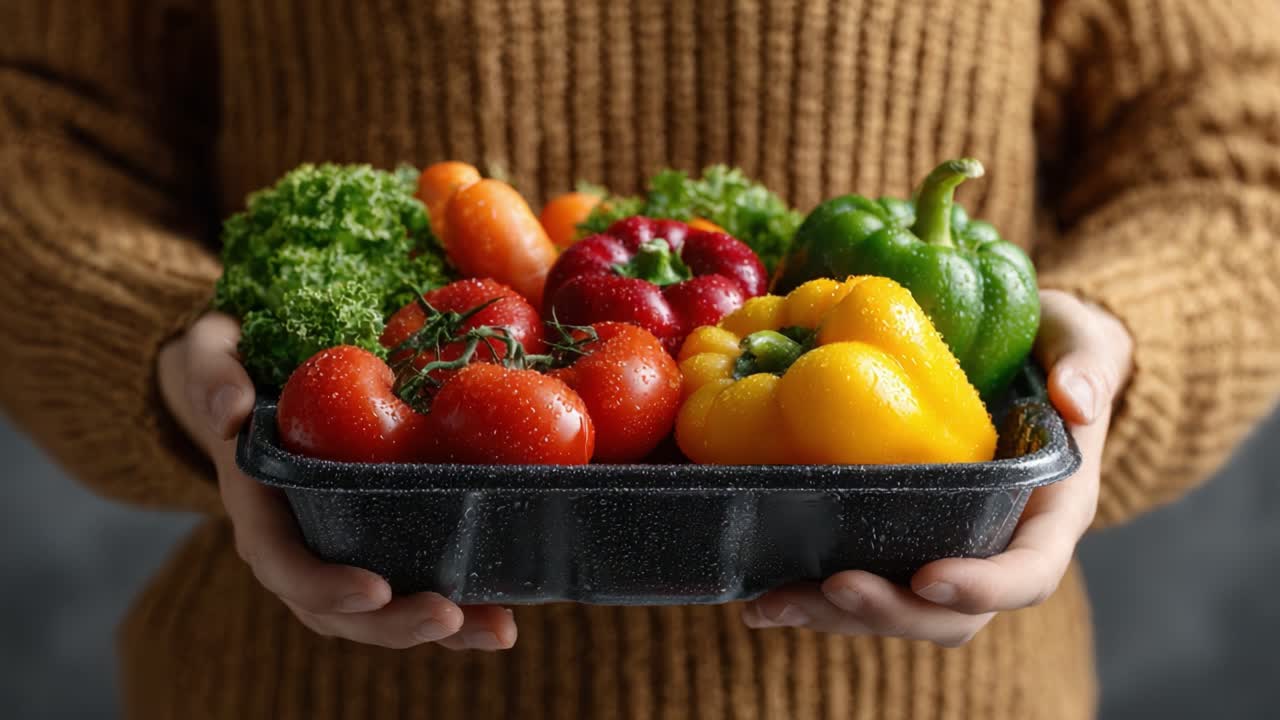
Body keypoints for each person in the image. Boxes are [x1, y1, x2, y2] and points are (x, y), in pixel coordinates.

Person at [2, 0, 1277, 718]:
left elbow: (1234, 145)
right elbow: (32, 129)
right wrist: (163, 335)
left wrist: (1111, 337)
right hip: (300, 684)